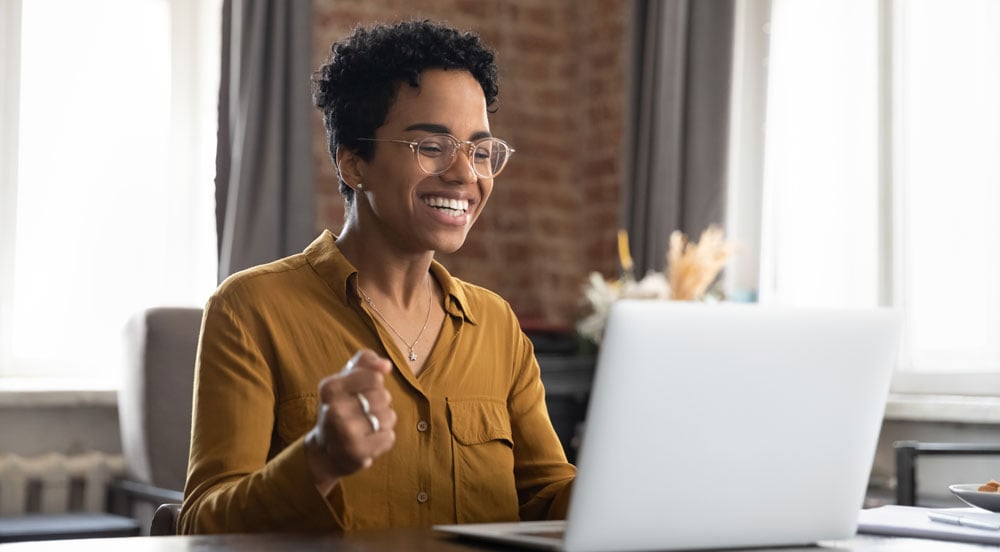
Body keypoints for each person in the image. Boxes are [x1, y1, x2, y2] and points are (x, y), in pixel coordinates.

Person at [178, 20, 576, 533]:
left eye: (480, 151)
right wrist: (317, 460)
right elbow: (200, 526)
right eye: (431, 147)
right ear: (353, 163)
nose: (465, 174)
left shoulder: (497, 324)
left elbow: (546, 498)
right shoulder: (249, 309)